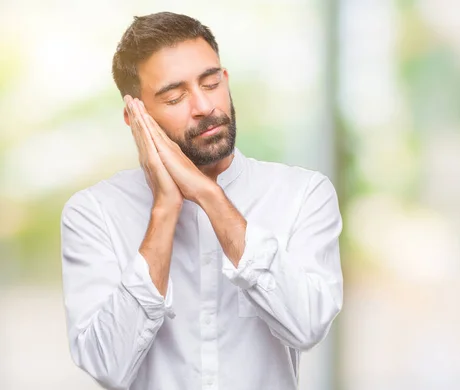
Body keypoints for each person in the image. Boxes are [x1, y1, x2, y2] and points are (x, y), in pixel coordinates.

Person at [60, 11, 343, 390]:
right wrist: (165, 210)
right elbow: (107, 365)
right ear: (134, 116)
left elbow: (308, 325)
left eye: (211, 83)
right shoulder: (93, 213)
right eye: (175, 97)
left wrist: (209, 196)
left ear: (225, 80)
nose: (204, 106)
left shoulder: (303, 194)